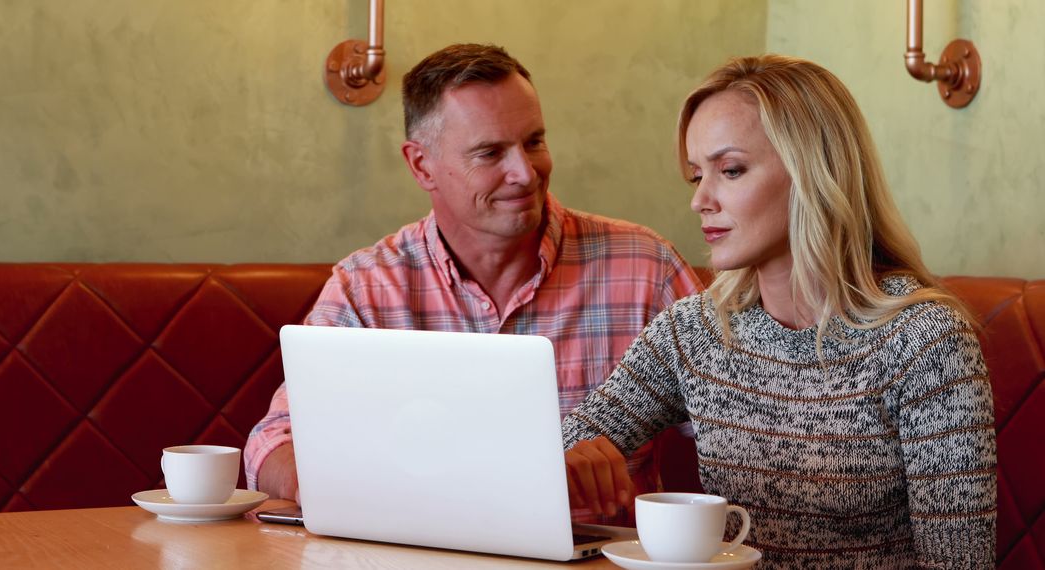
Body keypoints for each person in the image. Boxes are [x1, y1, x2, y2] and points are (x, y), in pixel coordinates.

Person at [562, 54, 996, 568]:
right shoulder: (695, 329)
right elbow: (563, 450)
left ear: (812, 172)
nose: (700, 200)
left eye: (730, 170)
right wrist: (569, 461)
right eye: (696, 175)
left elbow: (959, 563)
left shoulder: (925, 340)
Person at [244, 43, 705, 524]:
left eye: (533, 141)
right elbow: (273, 444)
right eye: (490, 152)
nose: (525, 173)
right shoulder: (365, 288)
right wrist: (337, 478)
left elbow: (734, 425)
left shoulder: (646, 267)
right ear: (422, 165)